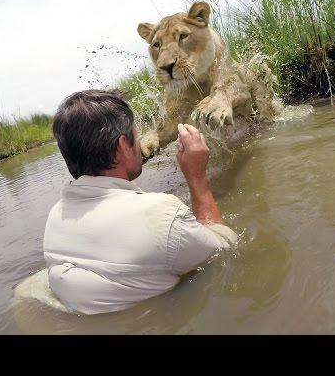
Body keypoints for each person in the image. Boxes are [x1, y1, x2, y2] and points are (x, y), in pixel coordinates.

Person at [37, 89, 237, 315]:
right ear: (123, 145)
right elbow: (224, 246)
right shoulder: (163, 215)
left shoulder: (55, 216)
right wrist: (197, 178)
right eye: (136, 134)